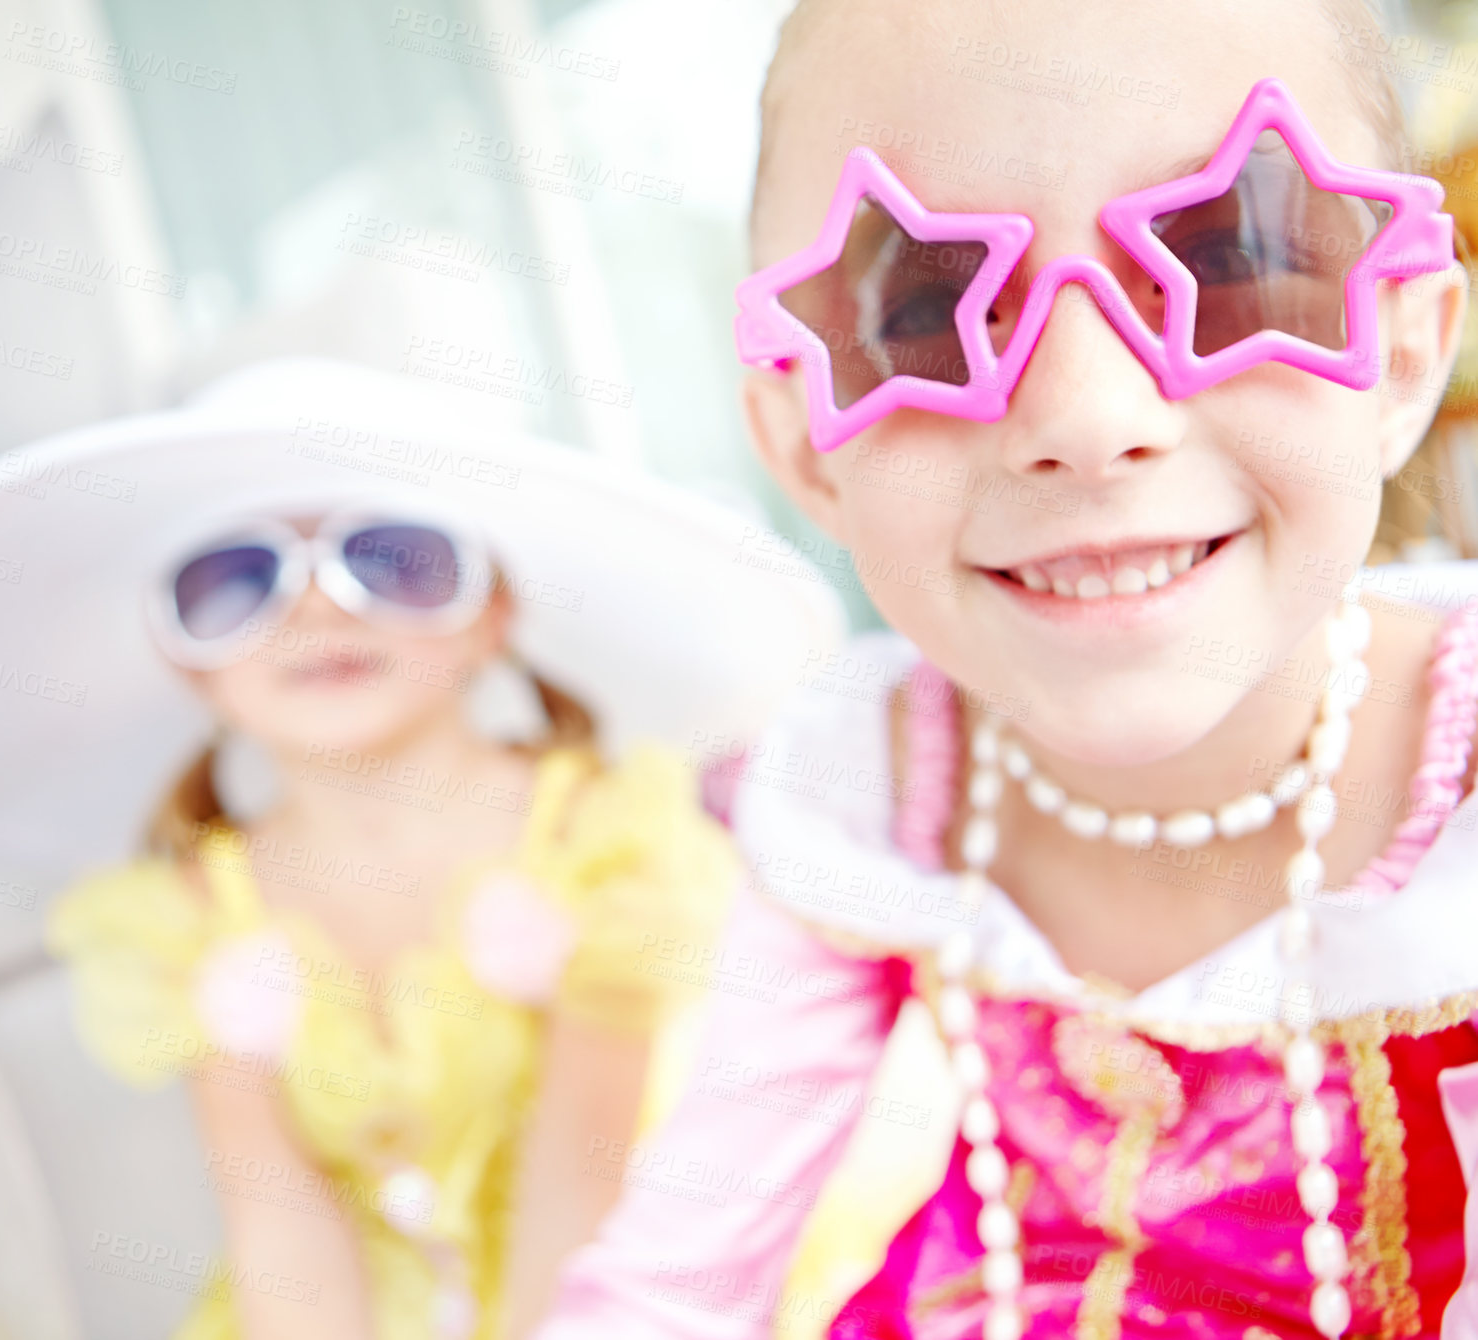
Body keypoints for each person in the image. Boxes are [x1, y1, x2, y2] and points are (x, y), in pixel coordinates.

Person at [534, 1, 1478, 1337]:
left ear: (1401, 355)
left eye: (1230, 255)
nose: (1088, 420)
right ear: (802, 449)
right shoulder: (869, 784)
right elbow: (672, 1279)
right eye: (926, 306)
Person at [0, 358, 841, 1340]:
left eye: (392, 560)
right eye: (235, 583)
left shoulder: (591, 845)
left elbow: (585, 1175)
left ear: (491, 616)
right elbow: (282, 1233)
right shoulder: (194, 915)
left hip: (628, 1292)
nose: (316, 609)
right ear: (193, 665)